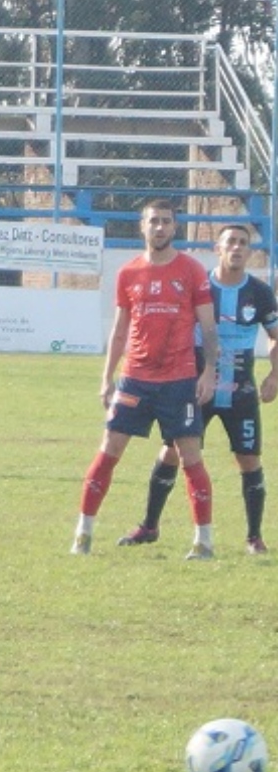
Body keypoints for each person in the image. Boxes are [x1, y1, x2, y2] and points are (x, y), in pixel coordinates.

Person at [117, 224, 278, 555]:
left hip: (241, 391)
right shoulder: (197, 284)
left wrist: (274, 375)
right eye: (230, 242)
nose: (236, 248)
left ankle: (253, 537)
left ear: (249, 252)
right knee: (172, 452)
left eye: (243, 243)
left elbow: (275, 335)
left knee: (249, 459)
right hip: (195, 388)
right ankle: (149, 525)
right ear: (217, 249)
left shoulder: (260, 293)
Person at [71, 199, 218, 560]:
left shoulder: (192, 271)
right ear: (142, 226)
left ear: (175, 227)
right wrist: (107, 379)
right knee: (109, 450)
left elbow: (209, 328)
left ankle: (203, 541)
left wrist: (209, 371)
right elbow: (120, 330)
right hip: (134, 378)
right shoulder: (128, 273)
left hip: (179, 379)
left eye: (166, 222)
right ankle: (83, 533)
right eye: (154, 221)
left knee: (190, 456)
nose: (160, 228)